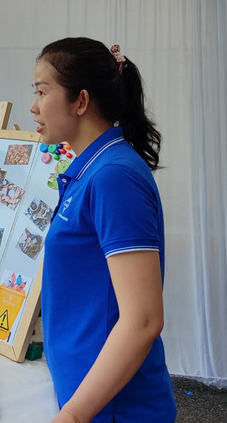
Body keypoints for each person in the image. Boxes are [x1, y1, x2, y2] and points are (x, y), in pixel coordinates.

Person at [30, 38, 176, 423]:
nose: (33, 107)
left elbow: (143, 319)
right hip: (88, 397)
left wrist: (74, 415)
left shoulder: (114, 177)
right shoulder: (90, 169)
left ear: (80, 101)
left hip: (114, 410)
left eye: (42, 92)